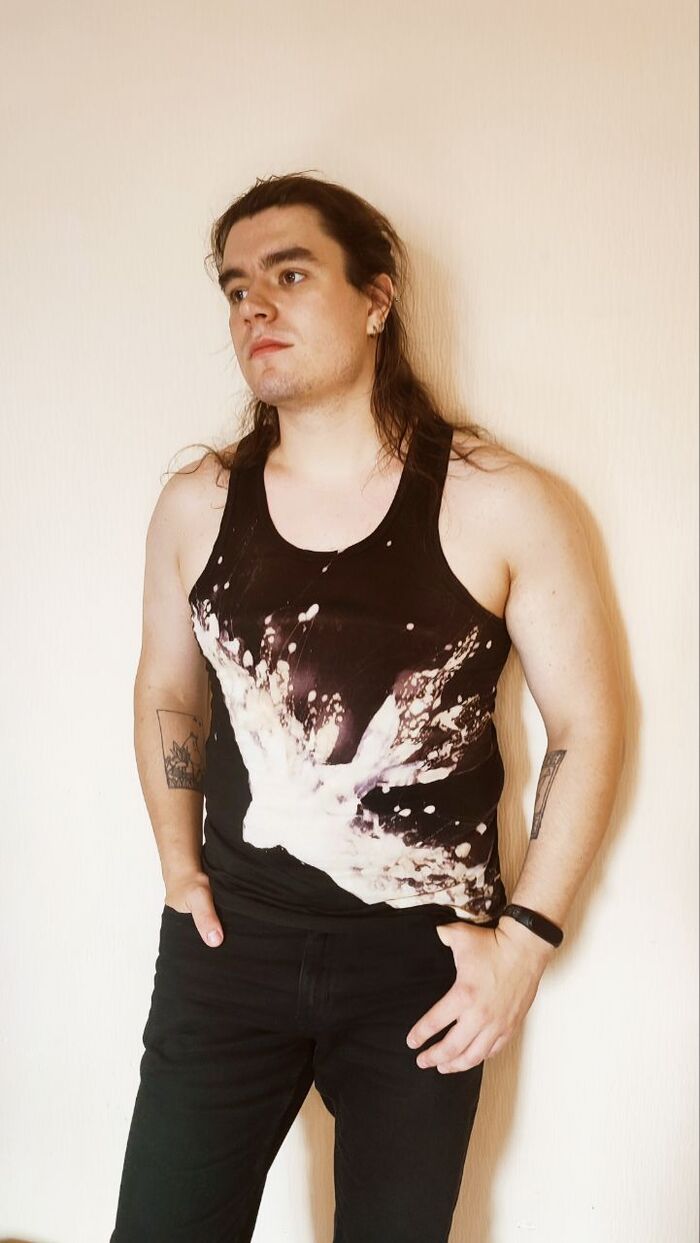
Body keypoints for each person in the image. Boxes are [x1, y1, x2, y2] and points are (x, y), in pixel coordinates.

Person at [110, 172, 625, 1242]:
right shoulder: (198, 504)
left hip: (422, 967)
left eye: (290, 274)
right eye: (235, 287)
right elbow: (167, 686)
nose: (254, 306)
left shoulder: (498, 500)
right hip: (230, 946)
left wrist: (526, 943)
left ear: (376, 298)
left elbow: (587, 725)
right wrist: (177, 868)